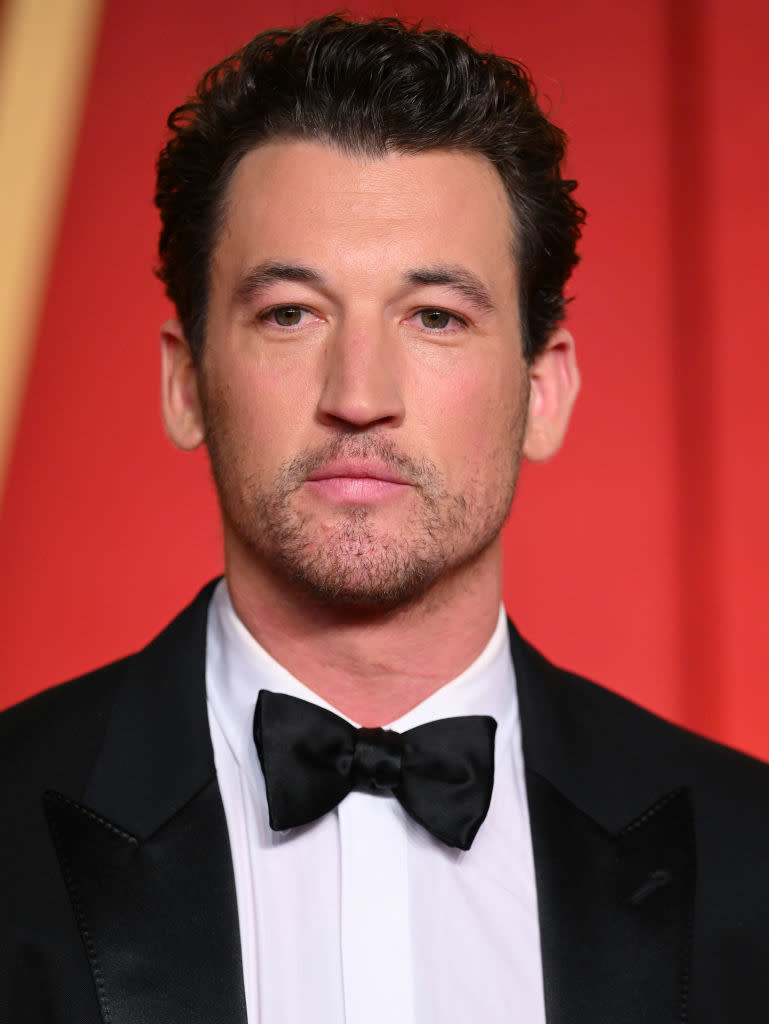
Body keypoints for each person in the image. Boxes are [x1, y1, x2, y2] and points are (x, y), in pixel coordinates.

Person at [2, 14, 769, 1024]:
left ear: (544, 392)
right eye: (290, 313)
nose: (359, 394)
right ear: (186, 382)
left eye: (435, 318)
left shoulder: (749, 858)